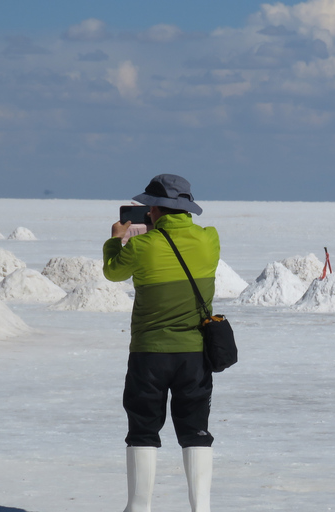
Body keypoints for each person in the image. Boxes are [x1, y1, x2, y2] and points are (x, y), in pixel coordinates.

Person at [103, 174, 220, 512]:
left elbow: (113, 272)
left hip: (148, 354)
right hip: (195, 355)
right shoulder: (209, 239)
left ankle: (139, 507)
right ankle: (202, 508)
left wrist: (115, 239)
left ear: (155, 208)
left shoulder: (140, 246)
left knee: (142, 428)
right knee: (196, 430)